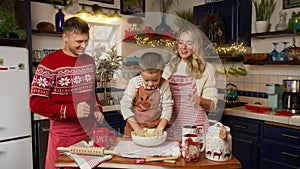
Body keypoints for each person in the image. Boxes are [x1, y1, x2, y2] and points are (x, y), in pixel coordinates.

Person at [30, 17, 104, 169]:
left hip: (89, 134)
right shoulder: (49, 64)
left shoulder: (89, 61)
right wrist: (73, 110)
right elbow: (36, 103)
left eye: (86, 41)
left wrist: (97, 109)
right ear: (65, 37)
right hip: (64, 137)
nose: (83, 46)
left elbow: (92, 93)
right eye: (78, 42)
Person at [162, 26, 218, 140]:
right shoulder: (170, 67)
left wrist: (199, 100)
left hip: (195, 127)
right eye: (181, 42)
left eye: (189, 43)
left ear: (196, 45)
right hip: (171, 126)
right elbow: (159, 93)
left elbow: (213, 105)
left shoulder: (207, 69)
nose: (183, 47)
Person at [120, 52, 173, 137]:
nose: (150, 84)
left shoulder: (164, 84)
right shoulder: (134, 83)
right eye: (146, 80)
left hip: (154, 128)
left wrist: (160, 127)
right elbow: (125, 106)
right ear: (141, 72)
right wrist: (137, 129)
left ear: (162, 73)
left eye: (155, 80)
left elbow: (167, 107)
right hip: (133, 128)